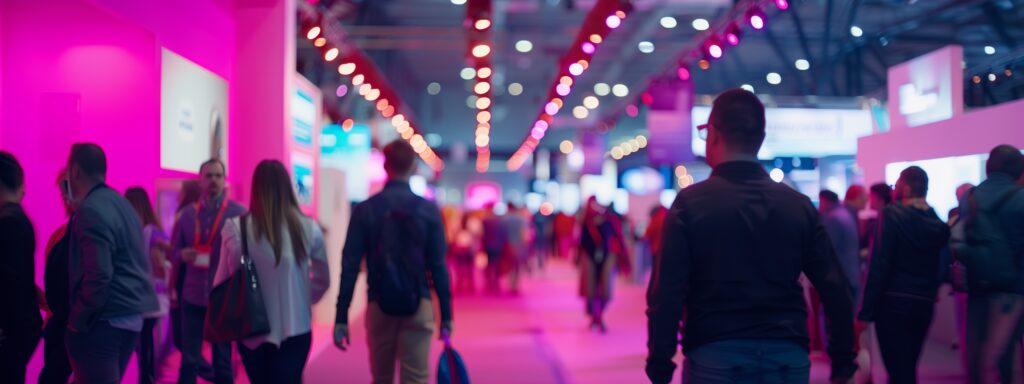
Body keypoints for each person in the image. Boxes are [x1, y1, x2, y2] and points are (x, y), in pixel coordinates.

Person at [646, 89, 856, 384]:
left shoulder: (689, 204)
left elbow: (666, 291)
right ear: (760, 138)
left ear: (714, 135)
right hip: (788, 356)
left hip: (715, 354)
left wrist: (660, 364)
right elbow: (835, 287)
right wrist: (843, 360)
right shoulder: (799, 206)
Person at [334, 140, 454, 384]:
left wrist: (341, 316)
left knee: (382, 378)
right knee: (416, 379)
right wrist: (447, 315)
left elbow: (350, 266)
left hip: (379, 303)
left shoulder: (366, 210)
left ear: (385, 167)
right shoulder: (429, 210)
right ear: (413, 167)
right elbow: (439, 267)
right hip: (419, 302)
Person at [215, 160, 330, 384]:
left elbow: (221, 282)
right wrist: (301, 298)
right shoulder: (308, 227)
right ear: (287, 186)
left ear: (255, 188)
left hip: (251, 331)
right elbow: (323, 280)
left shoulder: (235, 227)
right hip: (297, 328)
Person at [64, 143, 160, 383]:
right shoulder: (123, 205)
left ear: (74, 171)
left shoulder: (91, 209)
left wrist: (78, 319)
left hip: (105, 318)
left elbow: (99, 274)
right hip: (130, 315)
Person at [858, 166, 950, 383]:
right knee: (908, 365)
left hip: (892, 302)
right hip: (924, 303)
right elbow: (941, 264)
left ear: (906, 189)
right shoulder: (937, 224)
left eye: (896, 185)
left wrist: (865, 311)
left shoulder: (890, 216)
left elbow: (879, 264)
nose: (893, 190)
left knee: (898, 368)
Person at [951, 145, 1024, 383]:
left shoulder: (969, 197)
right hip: (1013, 290)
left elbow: (961, 240)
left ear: (988, 167)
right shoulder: (1021, 198)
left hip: (977, 285)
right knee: (1003, 356)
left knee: (976, 352)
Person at [171, 159, 245, 384]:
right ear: (200, 181)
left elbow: (250, 257)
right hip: (192, 295)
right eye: (208, 176)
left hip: (222, 297)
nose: (213, 180)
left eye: (218, 176)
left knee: (223, 362)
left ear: (224, 180)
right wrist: (181, 254)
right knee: (189, 359)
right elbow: (173, 252)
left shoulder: (239, 213)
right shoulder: (186, 215)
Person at [0, 151, 42, 383]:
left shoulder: (9, 222)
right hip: (19, 329)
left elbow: (10, 283)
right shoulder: (16, 220)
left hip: (11, 331)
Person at [125, 187, 172, 384]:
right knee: (145, 346)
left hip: (144, 297)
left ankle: (148, 380)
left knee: (144, 347)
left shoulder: (147, 233)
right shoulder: (150, 232)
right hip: (149, 297)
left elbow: (163, 262)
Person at [39, 168, 75, 384]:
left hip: (72, 326)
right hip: (58, 325)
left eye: (67, 188)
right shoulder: (58, 236)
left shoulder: (76, 235)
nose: (64, 196)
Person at [578, 197, 624, 333]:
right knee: (591, 290)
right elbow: (581, 242)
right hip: (590, 259)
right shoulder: (586, 222)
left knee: (605, 290)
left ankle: (599, 316)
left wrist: (623, 259)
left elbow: (619, 239)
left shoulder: (611, 221)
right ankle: (595, 317)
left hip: (607, 258)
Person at [169, 179, 201, 353]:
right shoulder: (195, 215)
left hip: (184, 279)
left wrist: (172, 287)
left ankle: (211, 373)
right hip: (190, 280)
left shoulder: (184, 215)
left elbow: (175, 252)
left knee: (183, 340)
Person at [820, 190, 861, 300]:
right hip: (850, 275)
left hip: (840, 278)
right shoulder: (844, 214)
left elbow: (827, 250)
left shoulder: (833, 218)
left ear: (825, 200)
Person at [481, 204, 508, 293]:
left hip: (488, 245)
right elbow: (502, 234)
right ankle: (496, 283)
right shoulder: (499, 221)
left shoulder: (485, 221)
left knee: (489, 265)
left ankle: (489, 283)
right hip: (497, 245)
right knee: (496, 265)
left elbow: (482, 235)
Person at [502, 203, 530, 294]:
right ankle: (516, 285)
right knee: (517, 266)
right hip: (519, 245)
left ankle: (511, 284)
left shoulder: (505, 219)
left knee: (510, 266)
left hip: (508, 245)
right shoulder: (522, 219)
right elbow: (525, 233)